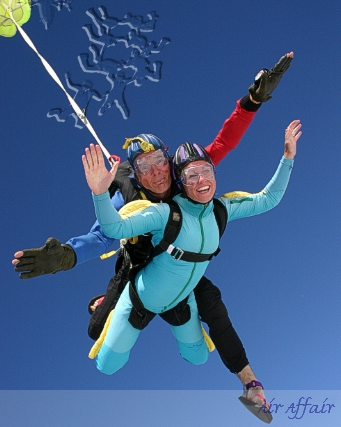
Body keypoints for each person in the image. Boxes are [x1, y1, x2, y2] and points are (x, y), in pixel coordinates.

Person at [12, 53, 293, 422]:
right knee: (97, 329)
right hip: (135, 268)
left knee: (212, 309)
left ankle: (249, 383)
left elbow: (223, 143)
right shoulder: (127, 194)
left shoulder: (185, 179)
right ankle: (101, 302)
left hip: (180, 266)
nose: (159, 172)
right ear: (135, 171)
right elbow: (103, 236)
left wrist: (252, 102)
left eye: (161, 160)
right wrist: (65, 255)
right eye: (146, 167)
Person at [82, 120, 301, 422]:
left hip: (181, 299)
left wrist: (287, 158)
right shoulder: (164, 214)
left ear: (214, 174)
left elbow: (269, 198)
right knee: (107, 365)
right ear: (181, 182)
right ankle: (105, 302)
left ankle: (251, 387)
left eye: (207, 172)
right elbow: (113, 227)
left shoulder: (223, 209)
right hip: (140, 299)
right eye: (191, 175)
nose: (202, 181)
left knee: (198, 359)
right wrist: (99, 193)